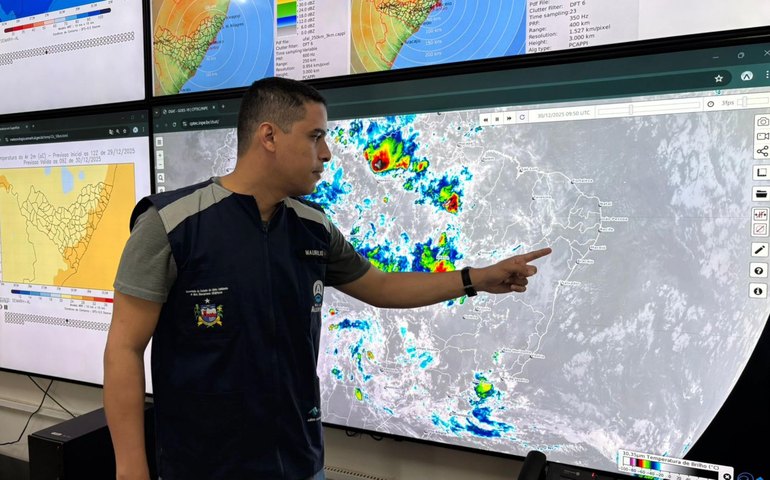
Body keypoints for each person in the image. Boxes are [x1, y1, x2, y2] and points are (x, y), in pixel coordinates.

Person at [103, 77, 552, 480]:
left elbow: (380, 286)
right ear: (269, 137)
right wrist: (131, 469)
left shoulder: (312, 226)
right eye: (315, 136)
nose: (326, 153)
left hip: (301, 463)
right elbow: (124, 348)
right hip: (204, 467)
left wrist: (475, 279)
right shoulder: (171, 224)